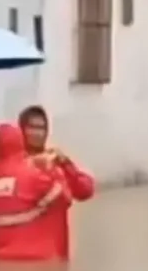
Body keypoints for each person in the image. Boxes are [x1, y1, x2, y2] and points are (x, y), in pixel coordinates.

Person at [0, 123, 76, 261]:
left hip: (0, 259)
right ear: (21, 141)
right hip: (35, 260)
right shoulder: (33, 174)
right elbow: (65, 198)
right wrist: (53, 170)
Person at [17, 106, 95, 257]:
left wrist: (66, 163)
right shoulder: (12, 165)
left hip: (55, 251)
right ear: (21, 130)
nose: (38, 133)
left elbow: (85, 190)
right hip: (26, 252)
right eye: (32, 127)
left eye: (42, 128)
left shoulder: (56, 163)